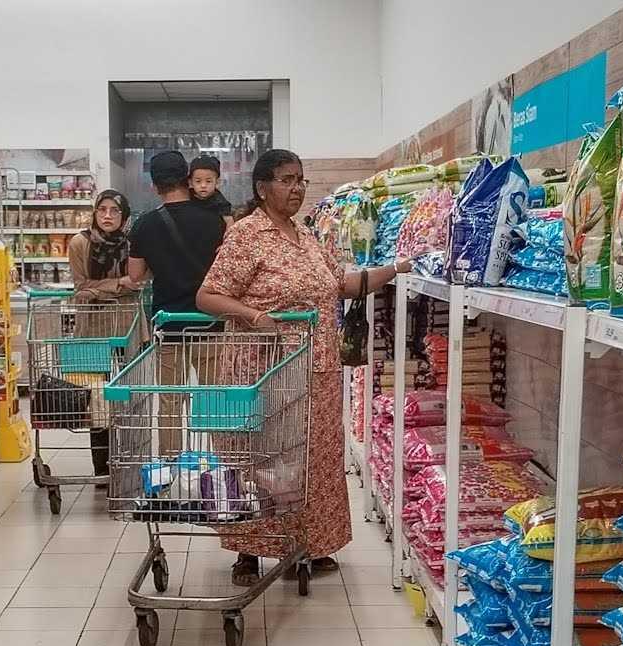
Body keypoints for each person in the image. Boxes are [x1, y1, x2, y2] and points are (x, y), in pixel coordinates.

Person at [196, 148, 412, 586]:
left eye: (300, 180)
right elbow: (208, 296)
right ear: (262, 188)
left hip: (316, 370)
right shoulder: (246, 235)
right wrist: (255, 316)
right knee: (256, 457)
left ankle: (304, 544)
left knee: (309, 458)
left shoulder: (306, 235)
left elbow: (343, 285)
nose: (296, 189)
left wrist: (399, 266)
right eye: (285, 180)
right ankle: (248, 549)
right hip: (261, 369)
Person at [128, 150, 227, 455]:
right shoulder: (215, 220)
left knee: (170, 398)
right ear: (188, 178)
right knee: (214, 397)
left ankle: (170, 466)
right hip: (210, 322)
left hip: (169, 325)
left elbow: (135, 276)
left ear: (154, 186)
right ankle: (219, 462)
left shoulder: (144, 225)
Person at [67, 189, 139, 482]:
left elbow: (139, 281)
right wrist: (119, 283)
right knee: (96, 399)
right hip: (92, 329)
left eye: (115, 211)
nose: (108, 216)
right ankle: (102, 468)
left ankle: (132, 459)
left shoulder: (134, 244)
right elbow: (80, 288)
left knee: (130, 397)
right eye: (102, 210)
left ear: (125, 217)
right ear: (94, 213)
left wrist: (102, 287)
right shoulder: (80, 243)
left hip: (128, 327)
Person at [189, 154, 234, 227]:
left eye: (208, 181)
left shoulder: (220, 202)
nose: (203, 185)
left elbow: (229, 222)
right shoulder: (187, 197)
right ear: (190, 183)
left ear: (217, 183)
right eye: (198, 181)